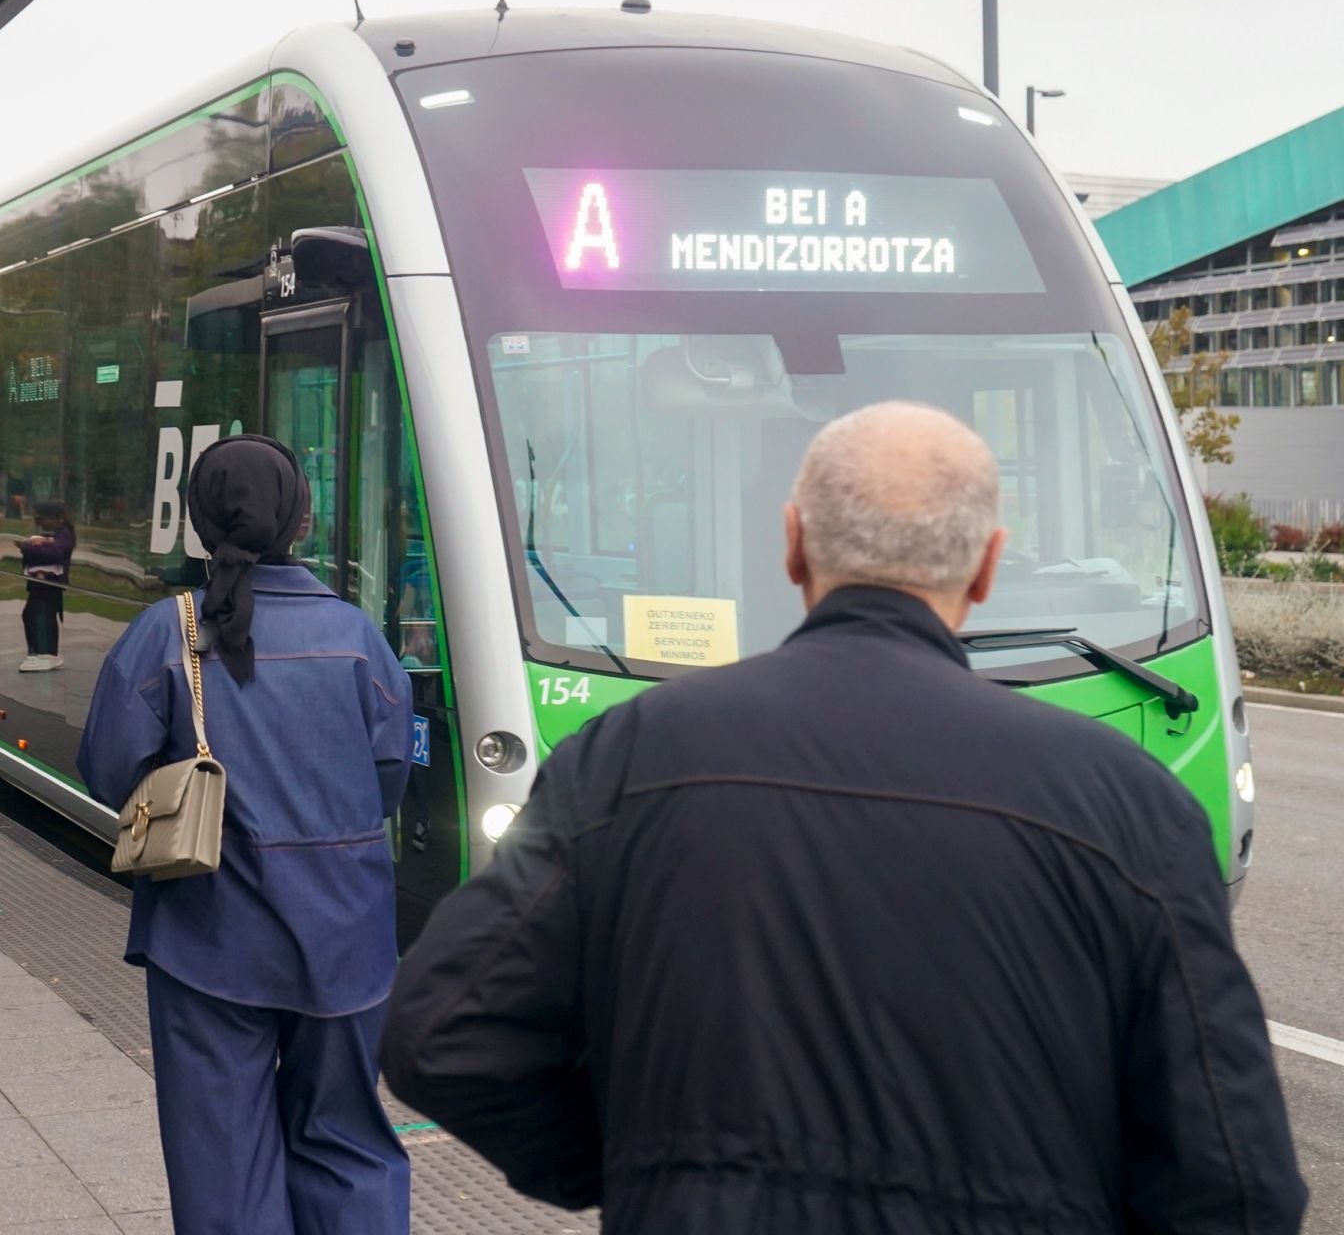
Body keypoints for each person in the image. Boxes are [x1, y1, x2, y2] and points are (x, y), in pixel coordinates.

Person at [379, 401, 1307, 1234]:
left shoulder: (630, 758)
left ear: (793, 545)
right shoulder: (1131, 804)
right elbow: (1237, 1180)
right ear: (987, 566)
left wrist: (641, 1165)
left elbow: (440, 1033)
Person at [80, 434, 414, 1235]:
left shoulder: (167, 633)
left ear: (198, 524)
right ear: (300, 520)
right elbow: (391, 776)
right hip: (348, 938)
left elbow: (106, 769)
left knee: (222, 1153)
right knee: (349, 1140)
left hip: (208, 936)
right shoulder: (357, 637)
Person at [16, 499, 74, 672]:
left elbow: (54, 553)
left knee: (41, 617)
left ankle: (45, 655)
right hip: (41, 583)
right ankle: (38, 654)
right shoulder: (56, 535)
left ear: (58, 518)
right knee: (33, 615)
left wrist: (27, 548)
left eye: (41, 519)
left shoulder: (64, 535)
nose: (39, 523)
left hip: (49, 584)